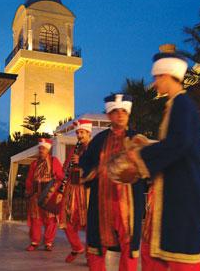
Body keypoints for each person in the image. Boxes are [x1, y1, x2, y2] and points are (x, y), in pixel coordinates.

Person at [122, 47, 200, 271]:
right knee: (158, 251)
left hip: (183, 194)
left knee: (181, 258)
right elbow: (176, 144)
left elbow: (179, 144)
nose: (155, 83)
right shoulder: (175, 106)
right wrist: (147, 145)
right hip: (174, 193)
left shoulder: (182, 105)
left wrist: (140, 155)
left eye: (157, 78)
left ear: (167, 75)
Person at [80, 94, 146, 271]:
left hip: (128, 203)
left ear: (128, 114)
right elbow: (85, 164)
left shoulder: (137, 139)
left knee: (129, 245)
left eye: (124, 111)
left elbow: (149, 167)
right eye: (115, 112)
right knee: (96, 245)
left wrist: (136, 166)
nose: (120, 115)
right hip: (102, 201)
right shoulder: (99, 140)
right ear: (109, 115)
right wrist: (95, 171)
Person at [59, 119, 91, 263]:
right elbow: (66, 168)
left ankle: (91, 256)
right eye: (78, 132)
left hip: (87, 189)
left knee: (90, 224)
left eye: (82, 132)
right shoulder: (74, 149)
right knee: (65, 220)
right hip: (72, 188)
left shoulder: (93, 148)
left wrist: (82, 161)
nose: (79, 135)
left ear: (88, 133)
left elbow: (97, 166)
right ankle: (77, 247)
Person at [25, 138, 63, 252]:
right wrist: (28, 190)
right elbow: (29, 179)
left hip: (49, 194)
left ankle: (48, 242)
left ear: (48, 149)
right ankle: (34, 241)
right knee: (35, 219)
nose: (41, 150)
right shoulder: (34, 163)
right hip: (36, 195)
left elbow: (60, 176)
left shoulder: (53, 161)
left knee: (50, 219)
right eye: (40, 148)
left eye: (43, 148)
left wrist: (57, 189)